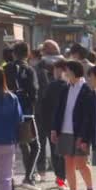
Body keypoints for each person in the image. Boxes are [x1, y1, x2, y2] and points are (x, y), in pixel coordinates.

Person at [51, 61, 96, 190]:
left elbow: (88, 116)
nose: (65, 73)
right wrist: (55, 129)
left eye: (68, 71)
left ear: (75, 72)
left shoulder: (86, 89)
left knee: (81, 164)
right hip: (65, 131)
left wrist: (83, 137)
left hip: (79, 133)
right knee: (68, 163)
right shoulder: (65, 88)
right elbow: (58, 110)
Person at [4, 42, 41, 190]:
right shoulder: (29, 70)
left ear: (14, 54)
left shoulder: (5, 69)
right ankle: (28, 177)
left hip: (7, 112)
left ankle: (10, 182)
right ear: (28, 54)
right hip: (25, 113)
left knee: (10, 147)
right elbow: (34, 92)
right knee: (35, 145)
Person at [34, 40, 65, 182]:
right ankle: (60, 177)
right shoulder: (64, 64)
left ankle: (41, 172)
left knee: (40, 142)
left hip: (41, 110)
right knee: (56, 145)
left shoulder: (38, 66)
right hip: (59, 111)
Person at [41, 59, 69, 190]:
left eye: (58, 69)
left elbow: (44, 106)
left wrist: (46, 124)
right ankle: (62, 178)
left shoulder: (52, 86)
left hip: (52, 124)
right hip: (63, 124)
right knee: (62, 153)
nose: (56, 72)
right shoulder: (68, 86)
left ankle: (61, 178)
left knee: (55, 152)